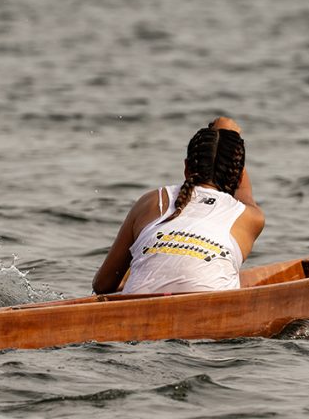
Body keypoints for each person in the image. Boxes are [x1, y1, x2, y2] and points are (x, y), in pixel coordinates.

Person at [92, 117, 265, 295]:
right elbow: (244, 191)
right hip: (208, 309)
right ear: (238, 173)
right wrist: (232, 137)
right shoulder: (249, 216)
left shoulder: (150, 201)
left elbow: (102, 285)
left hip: (134, 308)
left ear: (186, 168)